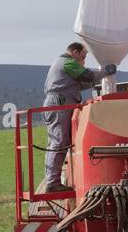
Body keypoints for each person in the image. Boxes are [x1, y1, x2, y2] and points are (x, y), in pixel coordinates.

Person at [42, 42, 116, 192]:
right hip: (59, 104)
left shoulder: (63, 66)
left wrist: (98, 78)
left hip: (59, 103)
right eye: (83, 56)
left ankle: (53, 180)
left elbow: (80, 84)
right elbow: (87, 75)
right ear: (75, 52)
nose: (83, 60)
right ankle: (52, 182)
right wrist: (105, 71)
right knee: (59, 142)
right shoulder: (68, 63)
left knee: (59, 142)